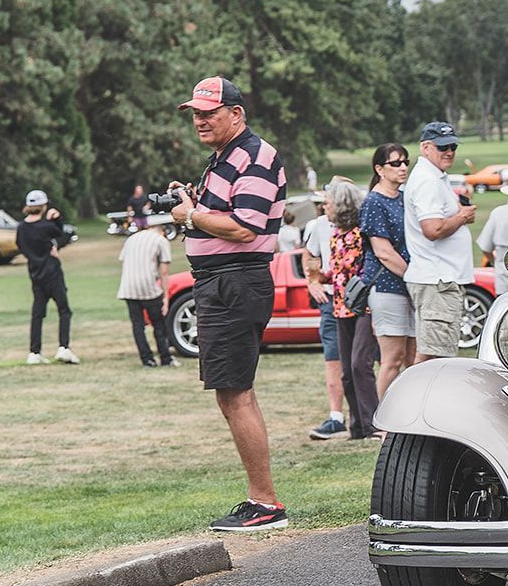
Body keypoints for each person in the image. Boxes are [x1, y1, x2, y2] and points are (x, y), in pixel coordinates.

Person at [168, 76, 290, 531]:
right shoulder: (222, 158)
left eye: (209, 112)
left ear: (235, 114)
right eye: (195, 113)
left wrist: (191, 215)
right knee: (234, 391)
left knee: (235, 393)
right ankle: (261, 498)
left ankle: (266, 503)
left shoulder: (255, 156)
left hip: (235, 282)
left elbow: (245, 227)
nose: (199, 120)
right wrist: (194, 202)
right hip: (222, 282)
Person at [404, 122, 477, 365]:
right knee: (433, 356)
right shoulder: (428, 180)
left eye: (453, 146)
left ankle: (418, 400)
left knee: (433, 352)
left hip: (439, 279)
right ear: (425, 148)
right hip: (438, 280)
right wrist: (462, 217)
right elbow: (432, 229)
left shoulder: (434, 177)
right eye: (443, 146)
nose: (449, 152)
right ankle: (414, 401)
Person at [326, 179, 381, 439]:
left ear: (341, 204)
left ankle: (373, 423)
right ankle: (357, 426)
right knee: (347, 370)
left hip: (362, 307)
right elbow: (336, 271)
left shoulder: (361, 233)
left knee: (361, 363)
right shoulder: (335, 233)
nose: (324, 207)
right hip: (339, 306)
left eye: (327, 202)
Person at [361, 142, 414, 398]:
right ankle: (382, 422)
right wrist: (414, 277)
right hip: (387, 287)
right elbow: (383, 252)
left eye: (405, 162)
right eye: (396, 163)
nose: (402, 167)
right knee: (392, 358)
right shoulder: (374, 201)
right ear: (380, 169)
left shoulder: (405, 198)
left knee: (415, 360)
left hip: (412, 286)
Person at [302, 186, 348, 439]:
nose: (324, 205)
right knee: (332, 356)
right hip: (330, 299)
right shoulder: (318, 225)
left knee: (365, 358)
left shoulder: (357, 220)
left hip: (357, 299)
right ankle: (336, 416)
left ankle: (371, 415)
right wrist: (313, 282)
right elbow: (309, 255)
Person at [16, 189, 78, 365]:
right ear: (43, 206)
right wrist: (57, 218)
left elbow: (21, 246)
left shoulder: (22, 228)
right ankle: (63, 347)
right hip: (52, 272)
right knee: (64, 310)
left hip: (35, 274)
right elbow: (62, 233)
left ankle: (34, 351)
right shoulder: (46, 226)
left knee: (38, 314)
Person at [117, 224, 176, 367]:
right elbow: (164, 272)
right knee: (158, 324)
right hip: (148, 286)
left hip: (128, 287)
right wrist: (166, 298)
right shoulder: (160, 240)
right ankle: (165, 358)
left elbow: (124, 261)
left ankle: (147, 359)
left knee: (138, 325)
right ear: (163, 231)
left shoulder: (132, 238)